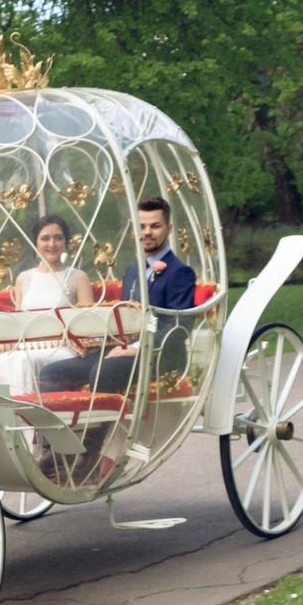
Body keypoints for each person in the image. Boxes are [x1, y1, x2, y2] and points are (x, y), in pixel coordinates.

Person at [37, 198, 194, 479]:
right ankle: (56, 447)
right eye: (142, 226)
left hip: (159, 354)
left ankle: (89, 453)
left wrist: (135, 348)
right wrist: (99, 342)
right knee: (53, 371)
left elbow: (178, 325)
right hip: (123, 349)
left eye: (155, 226)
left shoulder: (180, 273)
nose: (148, 232)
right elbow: (123, 319)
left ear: (168, 228)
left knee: (104, 370)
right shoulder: (133, 271)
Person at [0, 215, 94, 396]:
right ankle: (14, 415)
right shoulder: (24, 278)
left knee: (24, 361)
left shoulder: (78, 277)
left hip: (63, 348)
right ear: (36, 242)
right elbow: (18, 322)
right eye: (45, 238)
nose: (52, 244)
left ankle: (31, 414)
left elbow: (90, 324)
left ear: (65, 242)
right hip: (29, 346)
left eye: (58, 238)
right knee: (5, 360)